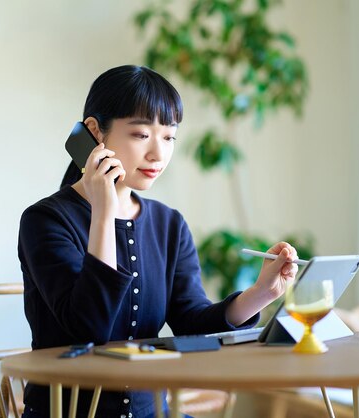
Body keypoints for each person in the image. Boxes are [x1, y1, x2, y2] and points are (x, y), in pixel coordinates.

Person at [17, 65, 299, 418]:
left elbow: (192, 321)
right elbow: (89, 329)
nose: (158, 155)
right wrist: (105, 211)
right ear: (94, 132)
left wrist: (261, 293)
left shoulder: (169, 224)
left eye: (168, 137)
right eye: (140, 135)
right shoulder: (45, 220)